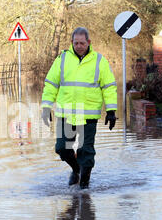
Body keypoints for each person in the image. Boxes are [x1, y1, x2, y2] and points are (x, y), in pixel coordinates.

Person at [41, 27, 117, 189]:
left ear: (88, 42)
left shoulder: (99, 60)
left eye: (82, 43)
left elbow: (109, 86)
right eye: (76, 43)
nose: (79, 46)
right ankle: (76, 170)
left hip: (88, 115)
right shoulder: (62, 59)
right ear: (71, 43)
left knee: (86, 151)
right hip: (65, 114)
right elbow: (51, 84)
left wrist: (111, 111)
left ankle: (84, 186)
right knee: (62, 148)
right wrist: (46, 106)